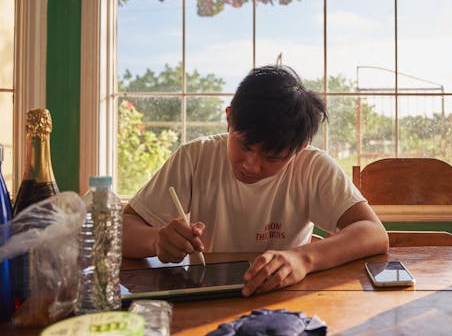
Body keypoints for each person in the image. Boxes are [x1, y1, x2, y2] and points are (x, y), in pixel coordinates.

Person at [122, 65, 389, 296]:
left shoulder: (312, 167)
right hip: (207, 294)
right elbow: (123, 229)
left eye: (272, 158)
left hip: (287, 298)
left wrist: (303, 259)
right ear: (228, 119)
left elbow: (374, 233)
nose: (251, 164)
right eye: (245, 145)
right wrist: (156, 241)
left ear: (301, 148)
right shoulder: (195, 157)